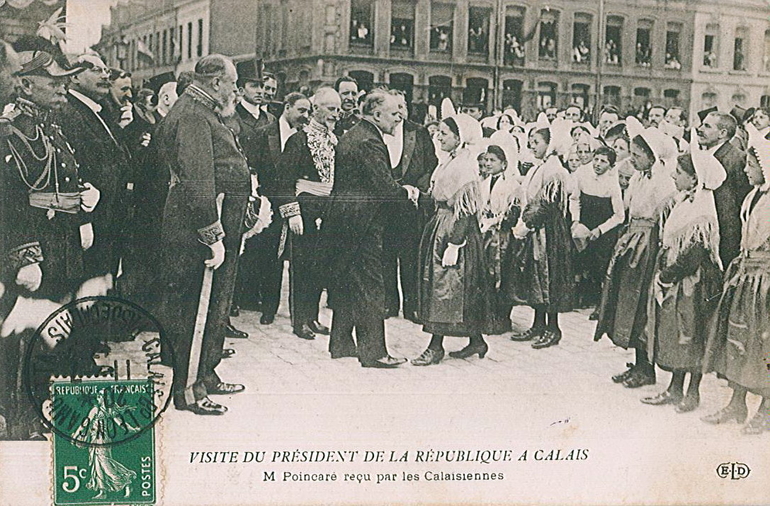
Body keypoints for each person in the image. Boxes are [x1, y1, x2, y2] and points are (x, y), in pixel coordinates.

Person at [0, 44, 100, 440]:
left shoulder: (49, 126)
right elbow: (9, 199)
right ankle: (19, 416)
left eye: (64, 81)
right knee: (24, 333)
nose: (63, 88)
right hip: (36, 245)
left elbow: (61, 179)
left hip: (61, 241)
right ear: (25, 84)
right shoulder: (11, 131)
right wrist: (25, 255)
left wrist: (83, 210)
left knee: (51, 327)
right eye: (53, 81)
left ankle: (40, 405)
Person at [155, 54, 250, 416]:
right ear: (215, 82)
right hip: (196, 226)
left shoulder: (202, 109)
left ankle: (205, 374)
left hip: (209, 219)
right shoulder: (194, 114)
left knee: (212, 305)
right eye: (233, 82)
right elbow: (198, 179)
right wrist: (212, 234)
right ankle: (188, 390)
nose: (235, 89)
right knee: (192, 308)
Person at [321, 90, 416, 368]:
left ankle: (340, 343)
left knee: (348, 282)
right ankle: (374, 352)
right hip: (363, 224)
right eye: (393, 114)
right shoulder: (370, 142)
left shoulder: (355, 134)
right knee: (372, 286)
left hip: (344, 221)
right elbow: (385, 187)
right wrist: (407, 192)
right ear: (376, 115)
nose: (398, 119)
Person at [641, 151, 724, 413]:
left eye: (679, 173)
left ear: (693, 178)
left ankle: (693, 392)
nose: (674, 176)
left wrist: (668, 274)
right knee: (677, 335)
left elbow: (694, 253)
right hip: (680, 281)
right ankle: (674, 388)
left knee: (692, 334)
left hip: (694, 283)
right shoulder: (684, 201)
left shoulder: (702, 206)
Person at [594, 128, 677, 388]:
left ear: (652, 155)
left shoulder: (664, 183)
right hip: (633, 241)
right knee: (629, 303)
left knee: (643, 305)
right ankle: (638, 363)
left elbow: (666, 223)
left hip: (648, 246)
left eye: (638, 155)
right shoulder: (639, 177)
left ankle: (647, 368)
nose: (633, 160)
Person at [702, 136, 770, 435]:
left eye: (751, 164)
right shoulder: (753, 196)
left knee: (762, 344)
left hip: (764, 280)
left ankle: (766, 409)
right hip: (745, 275)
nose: (745, 169)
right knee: (737, 339)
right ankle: (737, 401)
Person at [412, 114, 490, 365]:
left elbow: (467, 209)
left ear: (459, 138)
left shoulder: (464, 166)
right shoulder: (450, 162)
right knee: (456, 289)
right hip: (442, 223)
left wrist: (455, 244)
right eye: (440, 132)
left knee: (445, 287)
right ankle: (476, 340)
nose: (439, 136)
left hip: (455, 230)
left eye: (445, 133)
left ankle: (435, 346)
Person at [57, 53, 132, 292]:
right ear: (75, 77)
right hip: (90, 221)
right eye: (95, 70)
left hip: (108, 220)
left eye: (105, 70)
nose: (105, 75)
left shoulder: (97, 111)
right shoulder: (69, 111)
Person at [275, 87, 340, 340]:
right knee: (301, 267)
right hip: (305, 208)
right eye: (330, 109)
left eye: (337, 109)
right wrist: (292, 213)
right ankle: (299, 321)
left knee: (320, 266)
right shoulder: (298, 140)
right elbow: (284, 181)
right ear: (316, 109)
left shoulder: (335, 139)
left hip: (328, 208)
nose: (336, 114)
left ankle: (313, 318)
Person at [508, 125, 574, 349]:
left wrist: (527, 224)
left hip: (549, 232)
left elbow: (546, 204)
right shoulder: (541, 166)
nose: (531, 146)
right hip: (536, 229)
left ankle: (553, 328)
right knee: (536, 277)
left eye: (536, 142)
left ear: (550, 143)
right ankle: (538, 323)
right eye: (530, 141)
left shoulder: (555, 168)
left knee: (549, 278)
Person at [249, 92, 311, 325]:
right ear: (287, 107)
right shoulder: (264, 134)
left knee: (298, 259)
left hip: (299, 204)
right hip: (270, 204)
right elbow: (253, 167)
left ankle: (300, 313)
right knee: (270, 259)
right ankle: (268, 308)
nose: (305, 116)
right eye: (301, 110)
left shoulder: (307, 137)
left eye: (308, 111)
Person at [382, 90, 437, 323]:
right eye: (394, 109)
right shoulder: (379, 132)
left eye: (402, 107)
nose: (399, 113)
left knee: (410, 256)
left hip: (412, 206)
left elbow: (430, 165)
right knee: (385, 254)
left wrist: (417, 189)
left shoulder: (418, 132)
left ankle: (412, 306)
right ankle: (388, 303)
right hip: (385, 204)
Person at [231, 59, 275, 319]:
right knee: (239, 242)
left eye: (262, 86)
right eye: (253, 85)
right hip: (242, 185)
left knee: (262, 244)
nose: (259, 91)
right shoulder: (234, 115)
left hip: (265, 188)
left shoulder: (270, 118)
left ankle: (253, 295)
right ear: (242, 88)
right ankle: (233, 298)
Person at [570, 146, 624, 316]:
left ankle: (601, 303)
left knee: (601, 264)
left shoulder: (612, 183)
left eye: (603, 161)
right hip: (586, 223)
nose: (598, 164)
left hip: (605, 228)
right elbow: (574, 199)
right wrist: (576, 220)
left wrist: (600, 230)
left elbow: (619, 216)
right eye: (596, 159)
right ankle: (584, 295)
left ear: (611, 166)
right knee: (582, 258)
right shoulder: (582, 174)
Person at [696, 112, 752, 268]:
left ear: (722, 133)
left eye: (707, 126)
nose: (700, 129)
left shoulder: (737, 159)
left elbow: (742, 202)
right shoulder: (700, 155)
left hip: (725, 235)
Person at [478, 137, 521, 335]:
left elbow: (514, 213)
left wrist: (496, 221)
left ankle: (503, 317)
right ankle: (488, 315)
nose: (488, 164)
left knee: (503, 274)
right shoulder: (482, 182)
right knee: (486, 274)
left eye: (493, 160)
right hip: (486, 234)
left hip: (502, 236)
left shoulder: (512, 185)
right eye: (486, 160)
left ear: (504, 164)